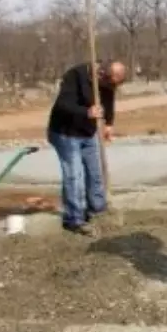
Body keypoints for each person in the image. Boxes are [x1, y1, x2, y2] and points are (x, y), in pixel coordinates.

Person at [47, 59, 126, 235]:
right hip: (65, 132)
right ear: (101, 74)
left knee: (95, 173)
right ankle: (73, 219)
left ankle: (97, 211)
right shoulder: (76, 75)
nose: (110, 87)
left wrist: (109, 124)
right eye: (109, 83)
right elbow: (63, 104)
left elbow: (109, 97)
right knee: (74, 176)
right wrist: (87, 112)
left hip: (88, 132)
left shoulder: (107, 83)